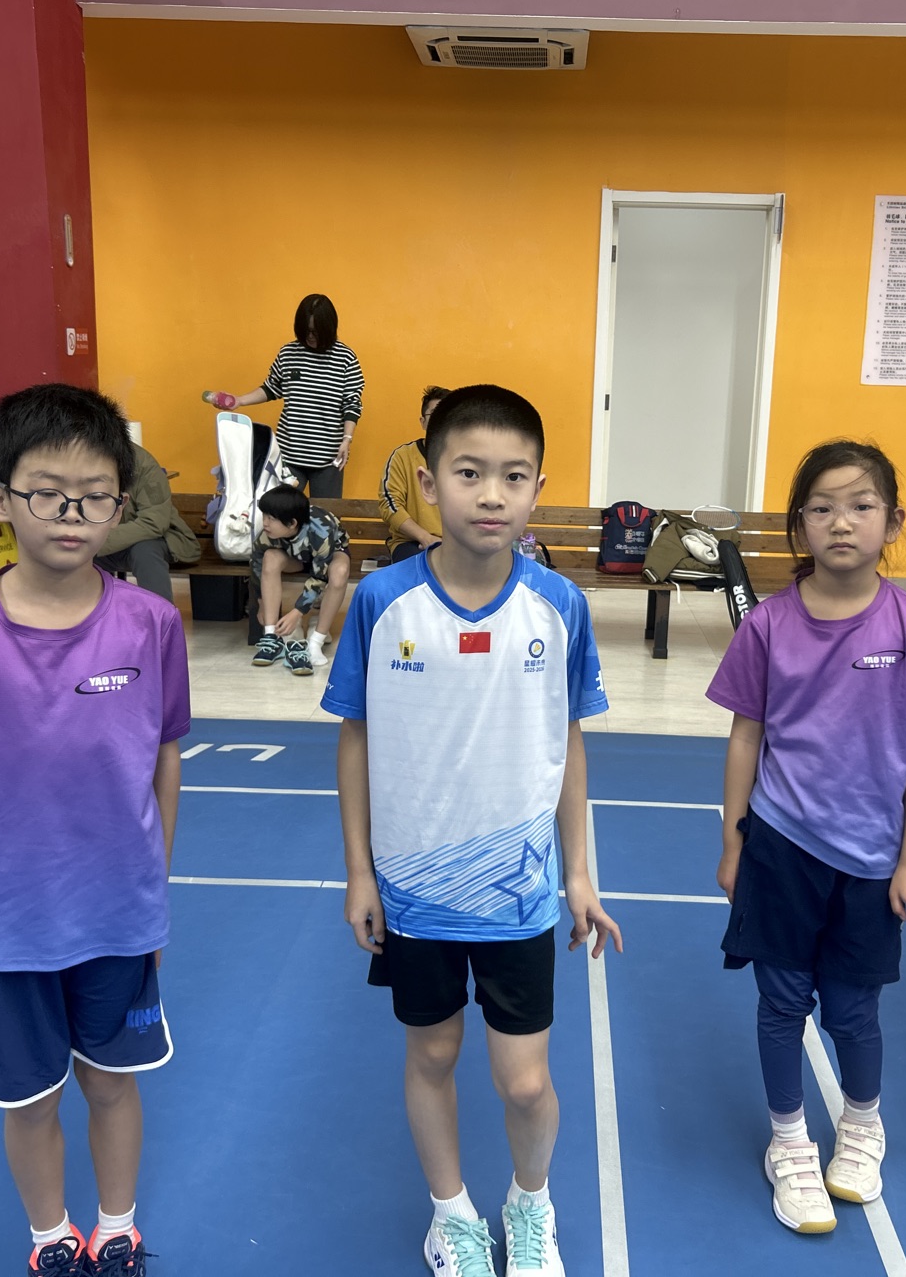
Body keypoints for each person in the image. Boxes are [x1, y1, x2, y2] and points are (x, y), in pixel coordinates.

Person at [0, 383, 189, 1277]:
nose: (71, 515)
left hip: (118, 913)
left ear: (120, 503)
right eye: (47, 493)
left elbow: (163, 758)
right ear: (0, 498)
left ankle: (118, 1228)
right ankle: (52, 1239)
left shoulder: (152, 623)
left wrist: (154, 880)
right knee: (31, 1097)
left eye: (95, 496)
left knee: (113, 1081)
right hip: (3, 921)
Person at [323, 384, 621, 1277]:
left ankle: (531, 1203)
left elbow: (567, 739)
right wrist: (359, 871)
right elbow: (355, 736)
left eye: (513, 476)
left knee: (524, 1080)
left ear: (538, 489)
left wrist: (577, 872)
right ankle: (451, 1214)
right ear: (428, 481)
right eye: (468, 472)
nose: (492, 494)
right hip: (413, 892)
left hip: (519, 892)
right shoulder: (381, 601)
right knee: (433, 1051)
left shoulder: (559, 606)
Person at [707, 440, 906, 1235]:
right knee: (782, 1000)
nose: (842, 522)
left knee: (854, 1009)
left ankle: (862, 1123)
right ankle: (788, 1139)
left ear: (894, 520)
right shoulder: (767, 626)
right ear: (799, 527)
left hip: (870, 859)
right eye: (821, 508)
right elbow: (744, 737)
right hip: (781, 845)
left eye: (861, 506)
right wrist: (734, 840)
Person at [202, 293, 363, 497]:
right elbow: (272, 388)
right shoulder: (288, 353)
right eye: (305, 330)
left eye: (315, 331)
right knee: (280, 512)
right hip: (288, 455)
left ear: (328, 328)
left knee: (326, 515)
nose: (310, 336)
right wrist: (240, 401)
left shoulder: (345, 358)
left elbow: (352, 404)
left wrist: (347, 439)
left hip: (328, 458)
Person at [250, 483, 350, 675]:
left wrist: (297, 612)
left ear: (292, 523)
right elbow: (256, 565)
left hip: (330, 555)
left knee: (339, 573)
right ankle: (271, 637)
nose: (265, 523)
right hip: (296, 556)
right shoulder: (267, 535)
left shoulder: (321, 530)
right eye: (264, 516)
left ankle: (316, 642)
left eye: (271, 518)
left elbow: (320, 576)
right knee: (269, 558)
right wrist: (261, 603)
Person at [95, 440, 201, 603]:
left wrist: (98, 540)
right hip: (101, 542)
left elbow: (154, 522)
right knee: (71, 552)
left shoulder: (142, 463)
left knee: (145, 550)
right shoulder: (74, 458)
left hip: (158, 539)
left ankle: (160, 614)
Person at [379, 385, 448, 562]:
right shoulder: (403, 456)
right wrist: (425, 537)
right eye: (434, 415)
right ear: (423, 422)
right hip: (411, 542)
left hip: (457, 544)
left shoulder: (467, 459)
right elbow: (390, 504)